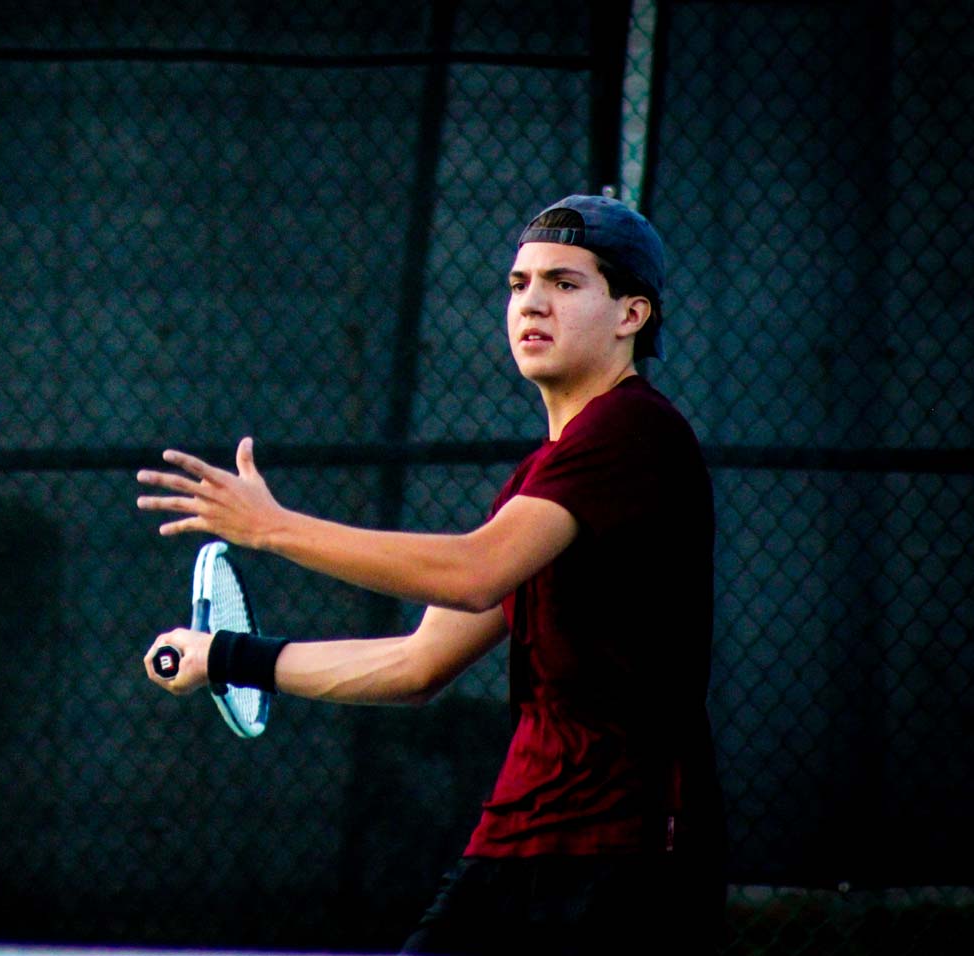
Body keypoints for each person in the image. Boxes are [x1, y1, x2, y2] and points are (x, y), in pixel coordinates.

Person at [136, 195, 725, 954]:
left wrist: (272, 528)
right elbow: (418, 662)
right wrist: (225, 657)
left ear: (631, 315)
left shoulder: (634, 433)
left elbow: (475, 572)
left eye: (565, 283)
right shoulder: (536, 482)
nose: (531, 303)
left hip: (631, 856)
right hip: (522, 839)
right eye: (518, 285)